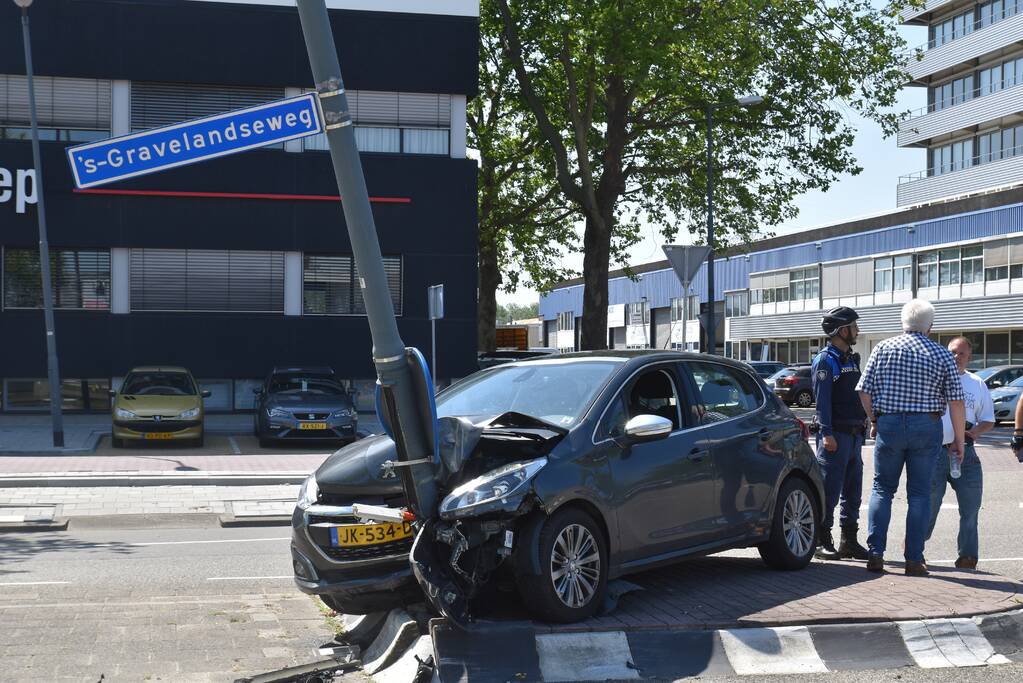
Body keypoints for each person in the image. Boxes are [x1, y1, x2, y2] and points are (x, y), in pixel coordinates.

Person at [856, 299, 965, 576]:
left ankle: (876, 553)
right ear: (930, 325)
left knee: (882, 489)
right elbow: (956, 402)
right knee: (918, 494)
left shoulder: (883, 348)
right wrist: (959, 440)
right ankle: (914, 559)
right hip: (926, 426)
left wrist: (874, 419)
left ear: (903, 321)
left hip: (890, 424)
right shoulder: (941, 355)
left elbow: (864, 391)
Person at [926, 337, 993, 570]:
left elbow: (988, 420)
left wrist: (974, 432)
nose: (956, 357)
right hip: (936, 452)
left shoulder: (977, 383)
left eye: (961, 353)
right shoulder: (933, 379)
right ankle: (914, 551)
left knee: (971, 509)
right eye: (953, 352)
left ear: (969, 357)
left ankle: (967, 558)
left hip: (968, 455)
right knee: (929, 505)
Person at [811, 307, 869, 561]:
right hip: (835, 436)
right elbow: (822, 401)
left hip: (855, 435)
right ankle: (821, 540)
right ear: (842, 330)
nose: (857, 331)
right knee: (830, 490)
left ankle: (849, 541)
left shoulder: (851, 359)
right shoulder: (826, 359)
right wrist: (826, 433)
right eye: (854, 327)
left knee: (853, 491)